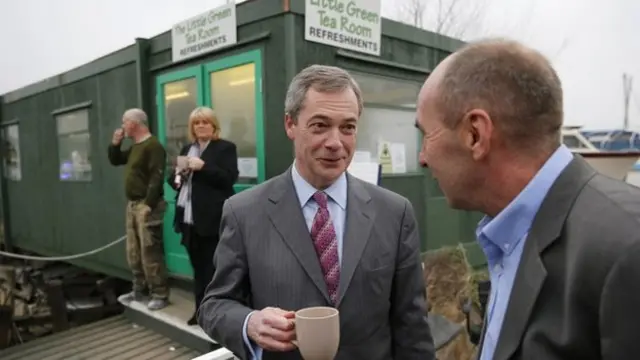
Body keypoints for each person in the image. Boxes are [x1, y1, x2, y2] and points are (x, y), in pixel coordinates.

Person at [416, 38, 640, 360]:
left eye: (427, 134)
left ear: (475, 134)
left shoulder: (626, 250)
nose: (423, 157)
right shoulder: (510, 233)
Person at [198, 65, 435, 360]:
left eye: (347, 127)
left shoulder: (394, 213)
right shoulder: (244, 212)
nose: (335, 143)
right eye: (320, 125)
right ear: (290, 125)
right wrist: (250, 324)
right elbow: (214, 305)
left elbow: (412, 327)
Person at [167, 106, 239, 326]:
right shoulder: (187, 148)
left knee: (214, 269)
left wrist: (204, 167)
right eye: (196, 123)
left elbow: (229, 179)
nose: (201, 126)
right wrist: (178, 175)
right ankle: (200, 311)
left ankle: (216, 314)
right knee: (198, 269)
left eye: (205, 122)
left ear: (213, 125)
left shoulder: (225, 148)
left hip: (212, 220)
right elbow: (174, 184)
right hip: (189, 220)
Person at [108, 108, 170, 311]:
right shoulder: (136, 146)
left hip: (146, 204)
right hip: (133, 204)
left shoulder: (153, 146)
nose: (122, 126)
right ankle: (139, 289)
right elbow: (116, 159)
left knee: (150, 250)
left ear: (135, 123)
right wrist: (115, 144)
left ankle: (159, 293)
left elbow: (156, 177)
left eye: (124, 122)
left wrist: (148, 205)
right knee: (133, 251)